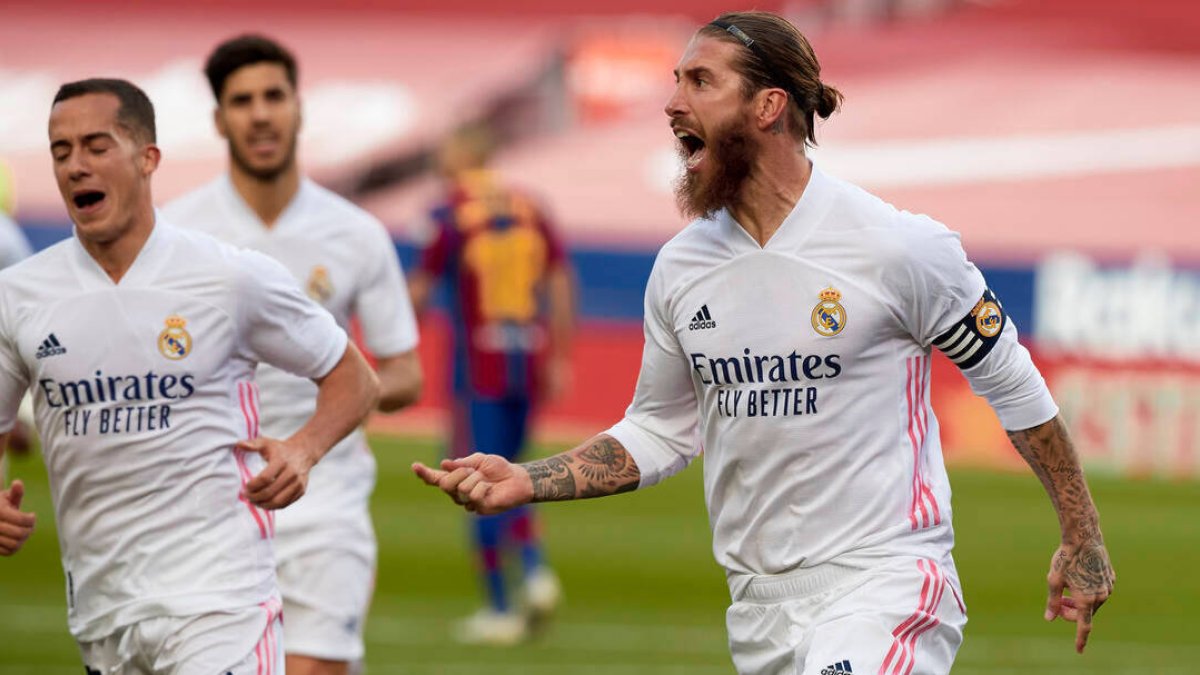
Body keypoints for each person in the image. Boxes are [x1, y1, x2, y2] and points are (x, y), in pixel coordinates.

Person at [414, 10, 1115, 674]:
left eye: (700, 81)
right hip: (758, 608)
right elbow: (661, 429)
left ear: (768, 106)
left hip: (885, 582)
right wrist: (526, 478)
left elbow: (1011, 380)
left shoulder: (899, 247)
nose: (673, 103)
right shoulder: (682, 269)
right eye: (675, 82)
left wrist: (1082, 533)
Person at [0, 78, 380, 674]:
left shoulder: (229, 278)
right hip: (104, 612)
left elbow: (354, 378)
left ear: (147, 158)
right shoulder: (19, 296)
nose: (76, 165)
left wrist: (304, 450)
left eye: (97, 146)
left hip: (221, 602)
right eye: (61, 150)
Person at [163, 34, 423, 675]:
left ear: (299, 110)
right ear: (220, 119)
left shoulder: (355, 233)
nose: (260, 114)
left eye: (274, 96)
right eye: (242, 100)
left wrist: (335, 391)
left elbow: (405, 375)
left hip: (325, 497)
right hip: (211, 505)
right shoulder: (176, 235)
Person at [408, 122, 574, 645]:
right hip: (527, 357)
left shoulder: (450, 210)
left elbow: (419, 287)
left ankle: (502, 605)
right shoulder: (529, 205)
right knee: (514, 471)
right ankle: (536, 571)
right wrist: (560, 355)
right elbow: (561, 278)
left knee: (471, 474)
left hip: (476, 368)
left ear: (463, 154)